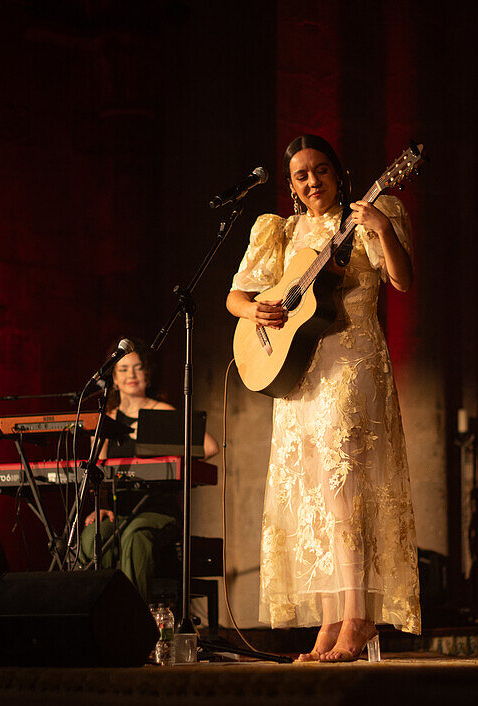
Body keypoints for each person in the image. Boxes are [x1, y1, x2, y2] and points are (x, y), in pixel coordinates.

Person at [226, 134, 421, 662]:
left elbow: (401, 280)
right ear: (290, 187)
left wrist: (380, 229)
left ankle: (358, 618)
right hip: (298, 371)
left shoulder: (376, 212)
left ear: (339, 172)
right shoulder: (281, 231)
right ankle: (330, 621)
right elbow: (235, 296)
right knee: (311, 496)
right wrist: (257, 313)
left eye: (320, 170)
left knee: (344, 489)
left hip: (352, 361)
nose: (312, 181)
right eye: (300, 175)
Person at [78, 338, 218, 602]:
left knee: (136, 535)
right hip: (120, 510)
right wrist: (102, 506)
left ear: (148, 375)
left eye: (138, 368)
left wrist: (170, 456)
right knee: (91, 537)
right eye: (123, 369)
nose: (131, 375)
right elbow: (98, 471)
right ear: (114, 380)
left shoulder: (162, 412)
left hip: (158, 510)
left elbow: (210, 446)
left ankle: (136, 621)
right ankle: (103, 615)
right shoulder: (106, 421)